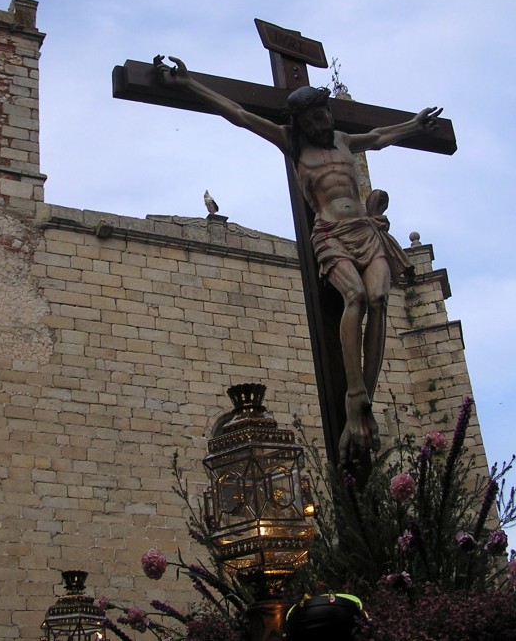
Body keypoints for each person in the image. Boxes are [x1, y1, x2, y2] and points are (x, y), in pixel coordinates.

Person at [153, 55, 442, 466]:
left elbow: (379, 136)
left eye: (324, 114)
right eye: (314, 119)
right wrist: (189, 84)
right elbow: (238, 114)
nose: (322, 123)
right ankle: (354, 391)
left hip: (365, 231)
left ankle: (364, 396)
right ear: (302, 122)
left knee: (379, 299)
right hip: (331, 235)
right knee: (356, 297)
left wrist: (414, 124)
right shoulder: (292, 143)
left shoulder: (343, 141)